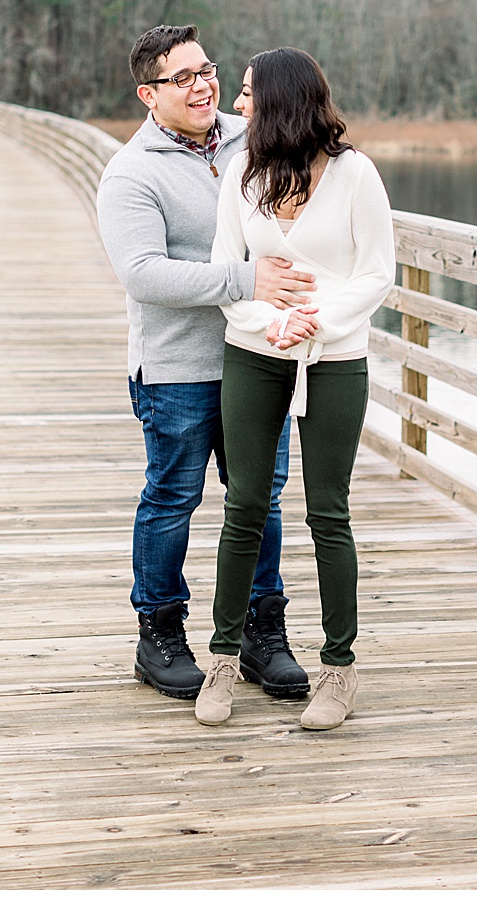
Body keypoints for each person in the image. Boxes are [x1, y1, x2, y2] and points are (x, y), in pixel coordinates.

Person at [98, 25, 319, 701]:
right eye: (183, 77)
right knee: (173, 499)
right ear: (148, 93)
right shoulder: (132, 173)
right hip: (179, 368)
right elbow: (145, 276)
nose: (203, 85)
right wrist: (245, 279)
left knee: (261, 502)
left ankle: (262, 634)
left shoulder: (252, 135)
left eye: (207, 71)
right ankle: (158, 634)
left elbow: (318, 191)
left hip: (258, 355)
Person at [193, 48, 395, 731]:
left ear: (282, 101)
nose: (238, 105)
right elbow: (227, 267)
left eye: (248, 94)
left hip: (335, 357)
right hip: (255, 352)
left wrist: (319, 321)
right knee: (244, 504)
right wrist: (267, 323)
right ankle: (222, 661)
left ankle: (338, 672)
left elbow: (376, 274)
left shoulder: (354, 175)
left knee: (328, 512)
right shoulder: (241, 176)